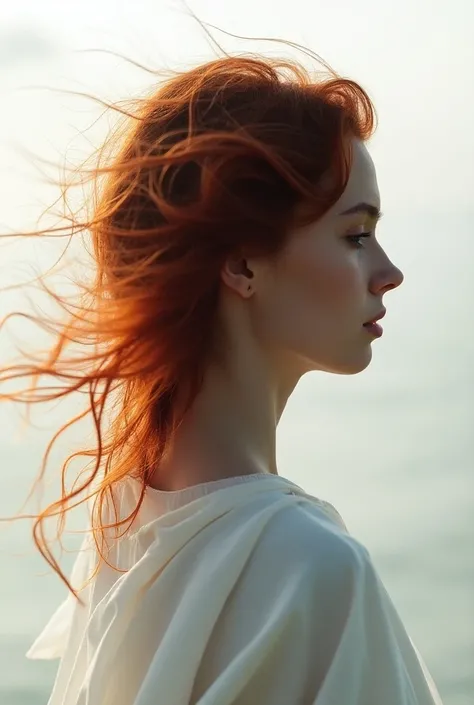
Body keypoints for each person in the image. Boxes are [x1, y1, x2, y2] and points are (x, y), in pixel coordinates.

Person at [2, 40, 444, 704]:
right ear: (241, 266)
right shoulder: (316, 570)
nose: (389, 271)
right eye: (355, 235)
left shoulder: (126, 520)